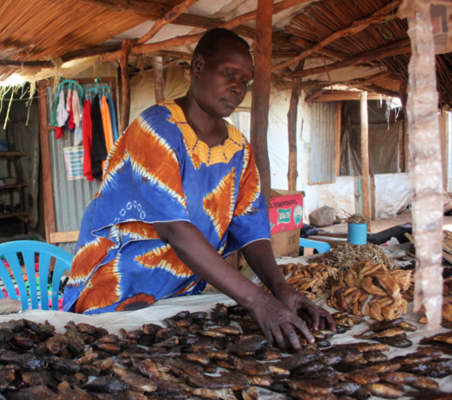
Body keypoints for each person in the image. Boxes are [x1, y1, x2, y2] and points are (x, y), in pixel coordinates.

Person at [64, 28, 335, 351]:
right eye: (229, 74)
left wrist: (280, 289)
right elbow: (176, 231)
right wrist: (256, 301)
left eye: (245, 81)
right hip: (117, 293)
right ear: (198, 66)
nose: (238, 88)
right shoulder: (155, 129)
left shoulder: (239, 149)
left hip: (178, 295)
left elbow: (251, 228)